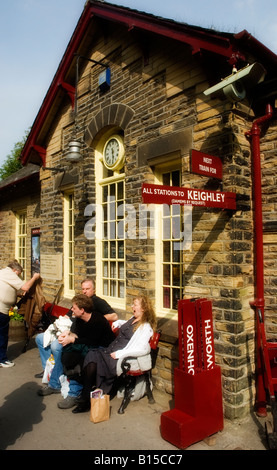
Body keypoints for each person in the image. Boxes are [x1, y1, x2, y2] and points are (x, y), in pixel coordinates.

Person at [71, 294, 157, 413]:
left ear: (143, 308)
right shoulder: (133, 319)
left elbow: (142, 348)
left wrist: (120, 354)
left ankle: (86, 397)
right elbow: (126, 327)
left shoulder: (145, 327)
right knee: (91, 353)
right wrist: (119, 323)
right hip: (110, 349)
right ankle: (87, 394)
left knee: (93, 357)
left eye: (135, 305)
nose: (132, 306)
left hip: (118, 356)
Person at [35, 278, 117, 393]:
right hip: (71, 330)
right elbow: (69, 317)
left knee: (57, 347)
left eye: (87, 289)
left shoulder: (97, 302)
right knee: (39, 338)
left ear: (94, 290)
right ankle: (49, 371)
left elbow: (114, 316)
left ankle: (55, 384)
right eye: (83, 289)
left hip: (91, 340)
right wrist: (62, 330)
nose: (84, 291)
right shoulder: (79, 302)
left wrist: (94, 320)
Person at [55, 294, 115, 409]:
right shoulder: (79, 320)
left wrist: (72, 339)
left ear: (82, 310)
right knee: (66, 353)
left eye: (74, 308)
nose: (71, 310)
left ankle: (75, 394)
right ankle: (70, 389)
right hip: (90, 346)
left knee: (82, 359)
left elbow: (92, 341)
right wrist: (67, 334)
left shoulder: (98, 320)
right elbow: (77, 334)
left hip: (104, 349)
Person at [0, 260, 40, 367]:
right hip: (1, 310)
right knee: (2, 335)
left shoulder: (4, 273)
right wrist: (35, 277)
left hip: (2, 309)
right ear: (15, 270)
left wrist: (16, 296)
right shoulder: (10, 273)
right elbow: (25, 287)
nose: (18, 276)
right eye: (19, 274)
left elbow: (9, 288)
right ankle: (2, 360)